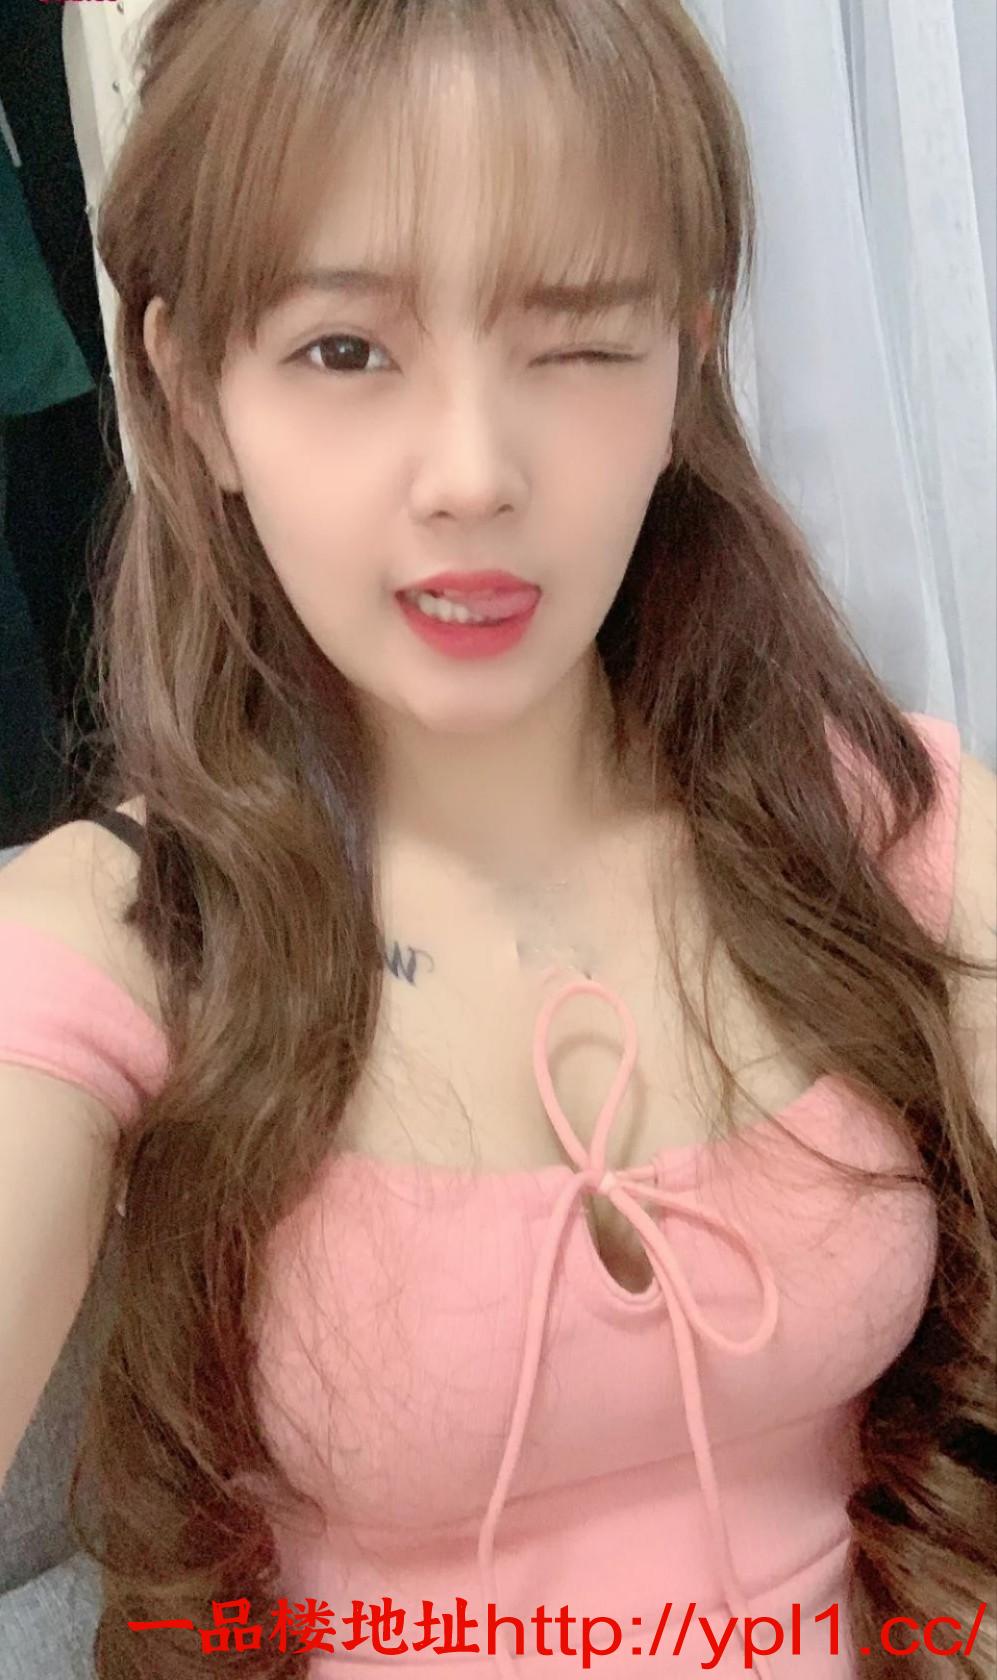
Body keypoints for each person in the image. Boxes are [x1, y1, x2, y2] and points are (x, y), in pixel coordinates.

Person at [0, 1, 994, 1676]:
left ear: (685, 365)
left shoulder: (885, 827)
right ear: (190, 391)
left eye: (577, 343)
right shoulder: (122, 935)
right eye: (344, 351)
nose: (472, 475)